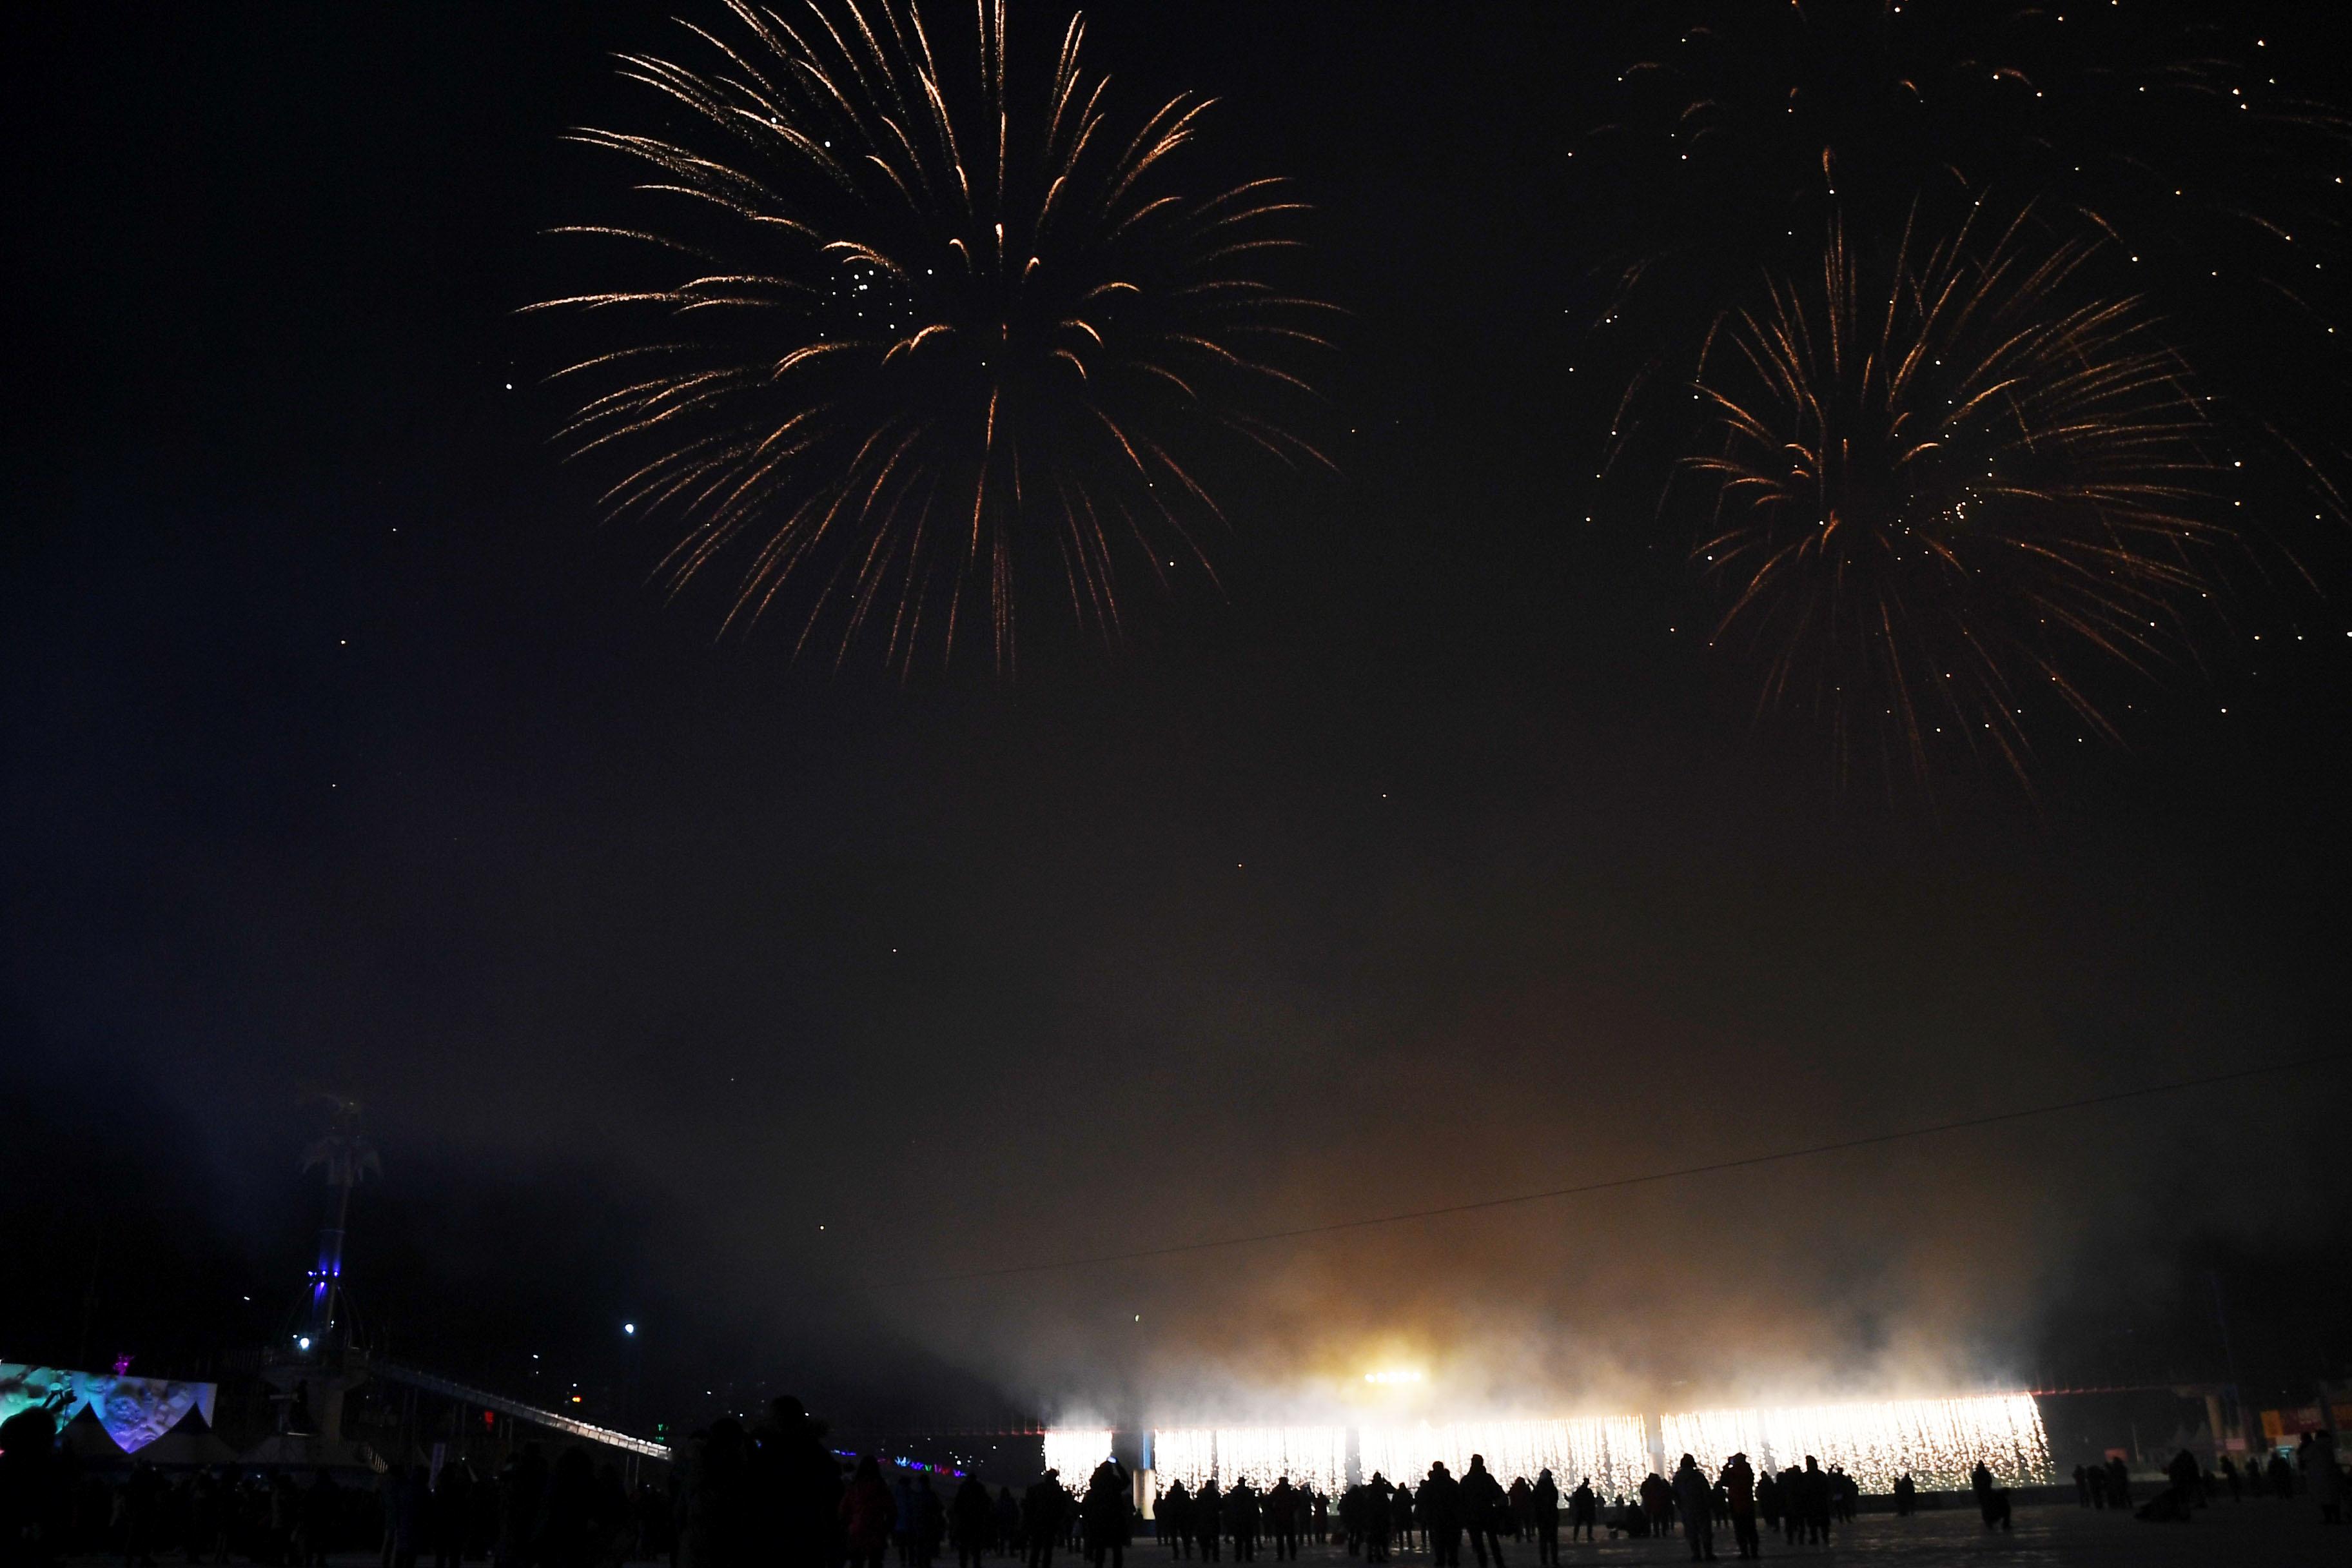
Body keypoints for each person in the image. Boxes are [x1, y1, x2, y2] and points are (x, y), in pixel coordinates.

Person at [843, 1460, 897, 1568]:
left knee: (856, 1562)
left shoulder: (854, 1487)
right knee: (875, 1562)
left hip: (857, 1532)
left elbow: (843, 1510)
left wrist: (849, 1525)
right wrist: (886, 1529)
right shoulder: (882, 1488)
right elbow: (892, 1512)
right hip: (876, 1532)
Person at [1458, 1459, 1504, 1568]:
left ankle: (1483, 1564)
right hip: (1488, 1513)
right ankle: (1500, 1564)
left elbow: (1460, 1498)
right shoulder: (1488, 1478)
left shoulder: (1466, 1480)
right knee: (1493, 1541)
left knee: (1479, 1544)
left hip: (1473, 1515)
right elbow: (1498, 1494)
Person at [1668, 1457, 1712, 1564]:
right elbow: (1706, 1491)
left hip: (1687, 1508)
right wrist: (1708, 1504)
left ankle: (1696, 1554)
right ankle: (1708, 1553)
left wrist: (1680, 1505)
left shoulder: (1678, 1478)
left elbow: (1674, 1493)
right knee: (1705, 1531)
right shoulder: (1698, 1476)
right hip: (1701, 1507)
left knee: (1692, 1532)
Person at [1415, 1466, 1460, 1568]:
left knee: (1439, 1543)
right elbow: (1459, 1498)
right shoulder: (1452, 1484)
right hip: (1451, 1518)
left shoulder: (1430, 1485)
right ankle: (1453, 1561)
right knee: (1452, 1543)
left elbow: (1421, 1498)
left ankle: (1441, 1561)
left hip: (1436, 1518)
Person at [1024, 1474, 1067, 1568]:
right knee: (1048, 1549)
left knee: (1036, 1548)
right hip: (1051, 1523)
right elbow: (1063, 1507)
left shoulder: (1037, 1489)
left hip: (1038, 1522)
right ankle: (1045, 1565)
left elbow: (1029, 1506)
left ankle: (1033, 1565)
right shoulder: (1057, 1491)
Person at [1718, 1456, 1756, 1562]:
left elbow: (1723, 1483)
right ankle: (1754, 1551)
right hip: (1748, 1503)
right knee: (1751, 1529)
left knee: (1740, 1530)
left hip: (1736, 1504)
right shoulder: (1748, 1470)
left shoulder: (1732, 1471)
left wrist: (1726, 1468)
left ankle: (1745, 1552)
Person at [955, 1476, 996, 1568]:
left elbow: (957, 1506)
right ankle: (976, 1564)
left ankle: (963, 1564)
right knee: (976, 1548)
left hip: (965, 1522)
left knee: (964, 1548)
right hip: (977, 1522)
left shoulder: (963, 1488)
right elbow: (986, 1504)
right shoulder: (980, 1489)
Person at [1527, 1472, 1557, 1568]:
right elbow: (1554, 1500)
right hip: (1552, 1516)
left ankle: (1544, 1561)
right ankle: (1554, 1560)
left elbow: (1532, 1500)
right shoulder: (1552, 1488)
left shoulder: (1538, 1489)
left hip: (1541, 1517)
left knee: (1543, 1540)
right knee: (1553, 1541)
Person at [1264, 1480, 1297, 1563]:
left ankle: (1281, 1556)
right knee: (1291, 1538)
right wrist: (1293, 1509)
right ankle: (1292, 1556)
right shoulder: (1290, 1491)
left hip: (1279, 1517)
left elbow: (1269, 1502)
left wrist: (1274, 1511)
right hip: (1289, 1517)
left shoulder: (1276, 1491)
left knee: (1280, 1539)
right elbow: (1297, 1502)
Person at [1157, 1485, 1190, 1560]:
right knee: (1185, 1536)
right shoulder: (1184, 1495)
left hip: (1173, 1518)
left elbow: (1166, 1506)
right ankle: (1187, 1553)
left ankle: (1176, 1554)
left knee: (1174, 1537)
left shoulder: (1170, 1496)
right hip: (1182, 1518)